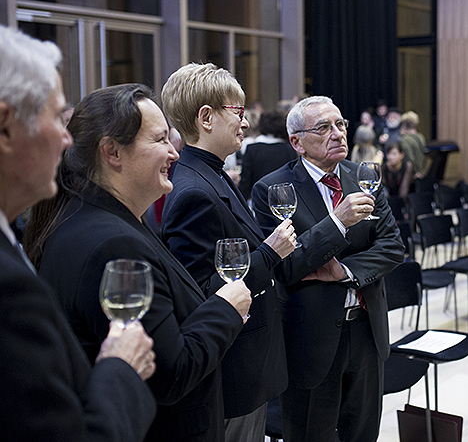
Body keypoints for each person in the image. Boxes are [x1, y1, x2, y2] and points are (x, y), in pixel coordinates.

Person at [26, 84, 252, 442]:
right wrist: (226, 308)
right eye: (160, 140)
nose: (174, 152)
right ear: (112, 152)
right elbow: (170, 372)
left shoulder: (93, 218)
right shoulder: (114, 245)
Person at [0, 26, 157, 442]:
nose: (66, 138)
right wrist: (121, 367)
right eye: (57, 117)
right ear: (6, 127)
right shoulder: (9, 288)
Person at [250, 96, 405, 442]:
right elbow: (285, 265)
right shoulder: (273, 189)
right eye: (323, 128)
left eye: (340, 124)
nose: (337, 133)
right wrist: (338, 222)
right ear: (297, 142)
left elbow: (393, 247)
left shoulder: (364, 177)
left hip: (366, 330)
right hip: (310, 339)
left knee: (363, 433)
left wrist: (344, 271)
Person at [159, 63, 296, 442]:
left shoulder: (211, 172)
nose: (245, 123)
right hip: (233, 368)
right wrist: (270, 253)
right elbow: (202, 293)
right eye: (238, 112)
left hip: (248, 360)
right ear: (206, 118)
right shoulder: (193, 192)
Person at [239, 110, 298, 200]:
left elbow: (246, 180)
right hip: (283, 199)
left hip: (257, 196)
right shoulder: (289, 150)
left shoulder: (252, 149)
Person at [399, 110, 426, 178]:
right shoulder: (421, 136)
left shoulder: (405, 140)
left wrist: (416, 171)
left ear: (405, 124)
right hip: (421, 170)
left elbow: (410, 159)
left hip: (412, 174)